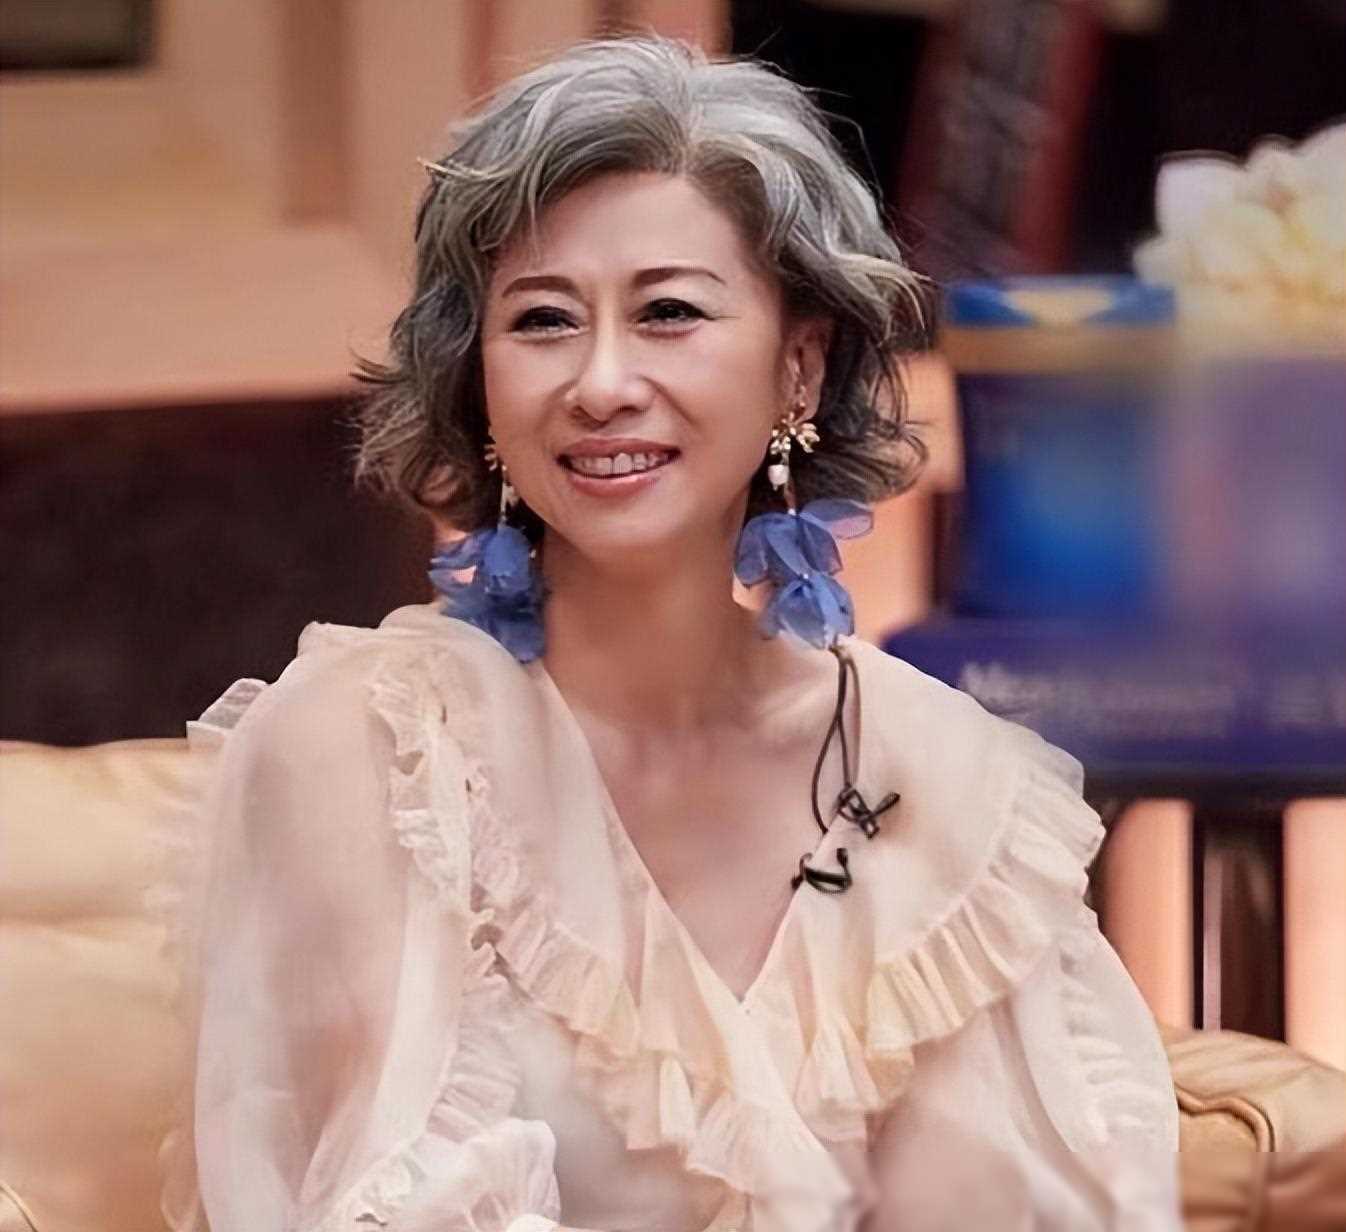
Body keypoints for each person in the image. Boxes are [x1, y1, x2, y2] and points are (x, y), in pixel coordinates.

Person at [158, 35, 1180, 1232]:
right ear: (477, 382)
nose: (600, 382)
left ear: (798, 366)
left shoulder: (949, 781)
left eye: (668, 312)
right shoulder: (377, 754)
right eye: (542, 320)